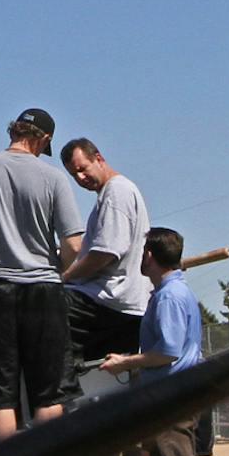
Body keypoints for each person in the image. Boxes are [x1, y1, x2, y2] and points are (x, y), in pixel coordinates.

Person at [0, 109, 84, 441]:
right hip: (44, 290)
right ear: (43, 139)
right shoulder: (52, 178)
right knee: (49, 394)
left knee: (0, 395)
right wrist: (62, 270)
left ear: (14, 131)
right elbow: (73, 244)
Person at [99, 227, 218, 456]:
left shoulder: (168, 296)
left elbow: (165, 351)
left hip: (170, 400)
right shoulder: (177, 291)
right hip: (178, 396)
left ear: (149, 255)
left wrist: (125, 363)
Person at [57, 137, 151, 362]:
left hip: (109, 299)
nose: (80, 178)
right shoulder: (115, 192)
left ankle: (53, 391)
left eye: (82, 169)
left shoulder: (116, 192)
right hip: (123, 304)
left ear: (98, 158)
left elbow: (106, 253)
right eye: (74, 175)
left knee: (41, 310)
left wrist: (65, 277)